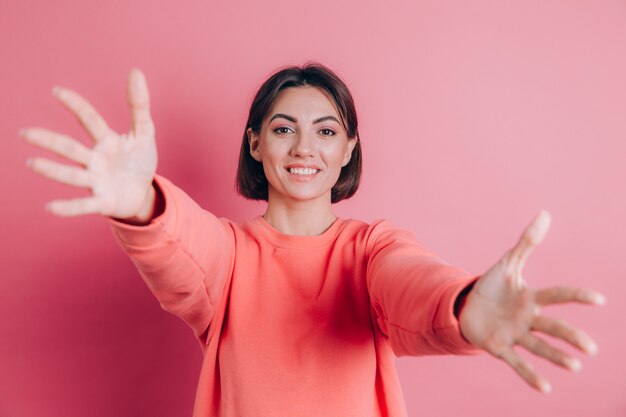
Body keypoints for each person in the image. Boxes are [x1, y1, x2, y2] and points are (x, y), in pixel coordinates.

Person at [21, 63, 606, 417]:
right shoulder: (227, 258)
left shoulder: (371, 250)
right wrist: (142, 202)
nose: (305, 148)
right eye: (283, 129)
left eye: (326, 131)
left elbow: (409, 282)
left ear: (348, 148)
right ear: (255, 144)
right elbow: (183, 248)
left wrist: (464, 304)